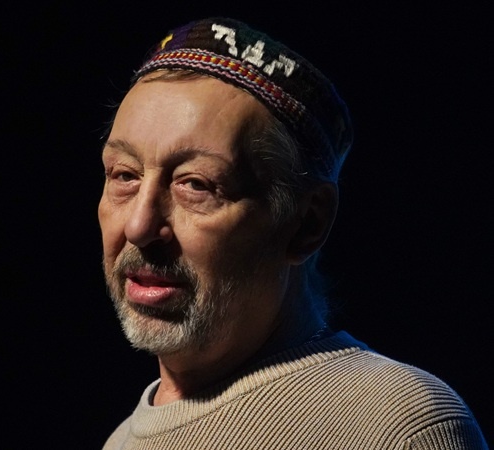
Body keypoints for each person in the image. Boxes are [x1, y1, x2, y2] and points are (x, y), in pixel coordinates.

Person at [96, 16, 488, 450]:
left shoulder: (398, 427)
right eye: (124, 175)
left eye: (196, 184)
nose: (139, 226)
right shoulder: (121, 440)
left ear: (307, 224)